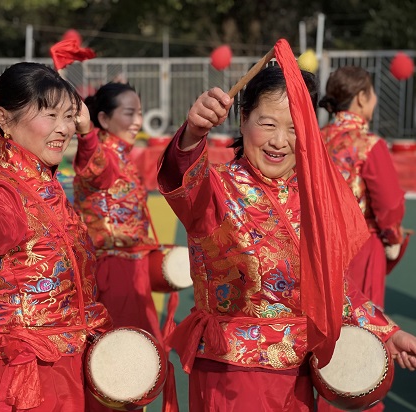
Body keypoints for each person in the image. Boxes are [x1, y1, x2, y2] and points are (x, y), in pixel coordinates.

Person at [156, 60, 416, 410]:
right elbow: (179, 175)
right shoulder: (215, 188)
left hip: (300, 374)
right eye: (268, 124)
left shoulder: (312, 197)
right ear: (243, 119)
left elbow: (334, 285)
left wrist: (388, 330)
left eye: (294, 128)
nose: (280, 141)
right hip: (232, 375)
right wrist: (192, 133)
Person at [0, 62, 111, 412]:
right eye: (50, 115)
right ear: (4, 119)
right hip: (22, 383)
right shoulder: (3, 190)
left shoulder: (45, 182)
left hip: (63, 372)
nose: (63, 128)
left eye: (69, 116)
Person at [72, 82, 165, 411]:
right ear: (104, 119)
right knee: (118, 365)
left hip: (134, 271)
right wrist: (86, 134)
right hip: (114, 274)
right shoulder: (104, 155)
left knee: (136, 364)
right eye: (129, 113)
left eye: (139, 112)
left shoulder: (124, 157)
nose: (138, 120)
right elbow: (93, 164)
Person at [319, 66, 408, 310]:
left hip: (319, 247)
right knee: (365, 328)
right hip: (361, 249)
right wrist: (393, 237)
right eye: (373, 93)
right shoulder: (369, 145)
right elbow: (388, 203)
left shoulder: (315, 140)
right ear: (360, 98)